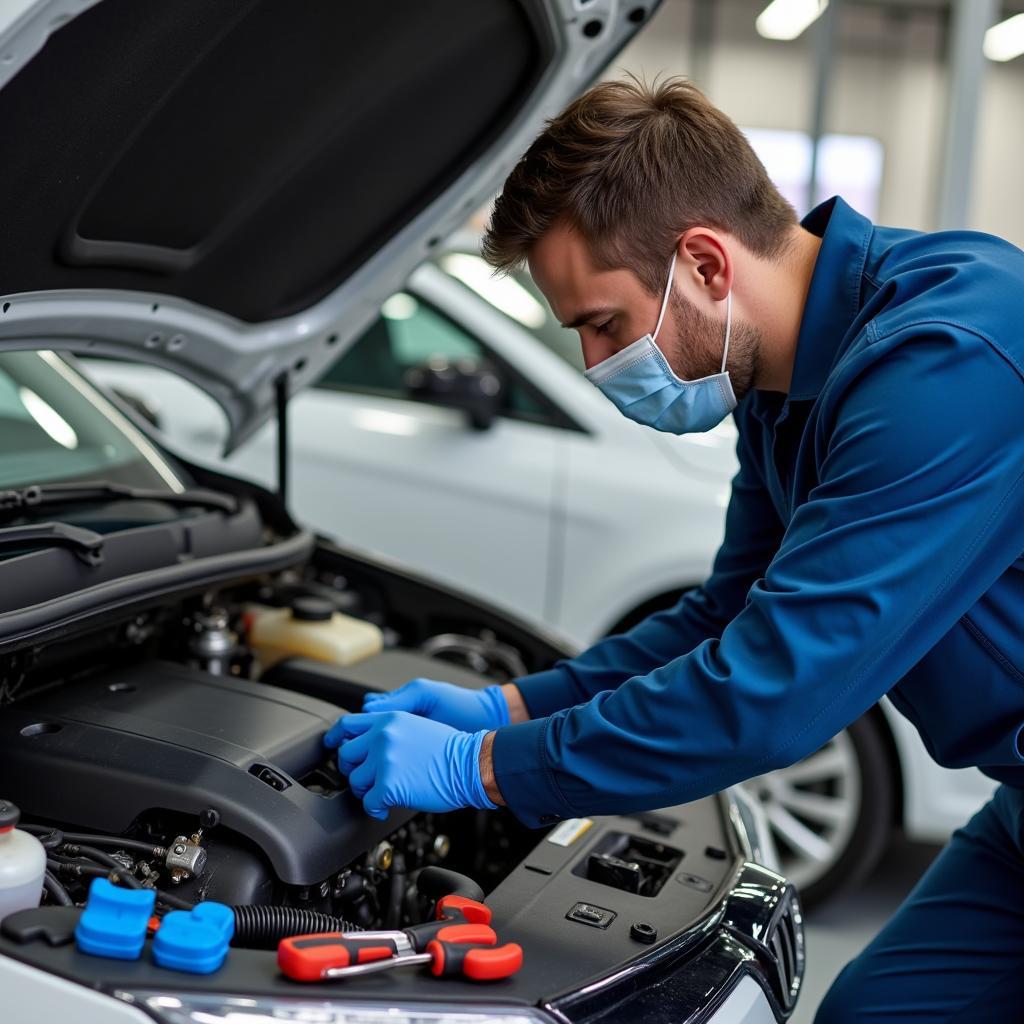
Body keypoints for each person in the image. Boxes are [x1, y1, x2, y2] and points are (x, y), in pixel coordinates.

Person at [323, 77, 1024, 1021]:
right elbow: (723, 617)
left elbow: (770, 693)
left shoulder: (944, 365)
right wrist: (511, 701)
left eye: (601, 324)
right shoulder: (784, 388)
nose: (595, 364)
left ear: (704, 262)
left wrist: (484, 767)